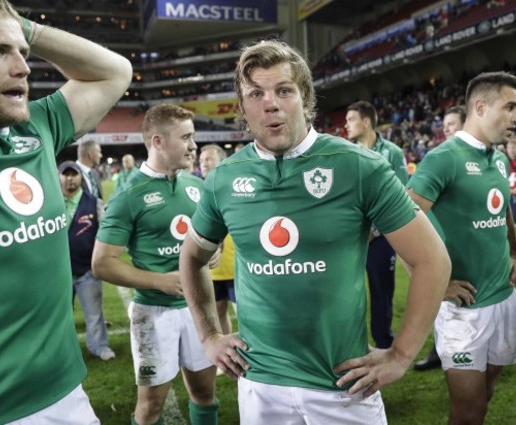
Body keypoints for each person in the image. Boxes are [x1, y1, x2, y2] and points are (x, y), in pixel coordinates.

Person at [179, 39, 451, 424]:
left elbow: (431, 259)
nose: (270, 103)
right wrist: (208, 335)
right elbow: (191, 257)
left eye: (283, 90)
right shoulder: (223, 178)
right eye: (255, 93)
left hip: (343, 385)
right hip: (260, 384)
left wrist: (401, 354)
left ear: (305, 99)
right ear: (242, 108)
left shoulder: (359, 167)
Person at [0, 1, 131, 423]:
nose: (23, 67)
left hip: (67, 393)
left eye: (23, 53)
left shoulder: (37, 126)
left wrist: (24, 29)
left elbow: (114, 71)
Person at [406, 71, 516, 425]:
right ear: (480, 106)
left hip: (504, 299)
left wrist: (515, 252)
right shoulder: (443, 158)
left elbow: (502, 208)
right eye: (510, 108)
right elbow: (401, 224)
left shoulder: (500, 160)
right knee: (467, 411)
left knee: (484, 400)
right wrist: (435, 285)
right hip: (464, 310)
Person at [92, 104, 220, 425]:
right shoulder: (129, 195)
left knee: (205, 393)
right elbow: (103, 263)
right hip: (153, 314)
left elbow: (207, 241)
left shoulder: (197, 187)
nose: (194, 145)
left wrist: (211, 252)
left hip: (198, 309)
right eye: (186, 137)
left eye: (194, 137)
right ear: (158, 142)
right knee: (150, 407)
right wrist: (160, 281)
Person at [345, 100, 408, 349]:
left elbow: (401, 196)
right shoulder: (346, 154)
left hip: (381, 238)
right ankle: (351, 344)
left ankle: (383, 345)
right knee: (347, 293)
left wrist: (375, 230)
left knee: (382, 293)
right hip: (351, 238)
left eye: (351, 120)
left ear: (366, 121)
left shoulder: (392, 152)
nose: (346, 124)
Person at [415, 104, 466, 371]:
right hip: (441, 241)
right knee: (443, 297)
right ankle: (440, 349)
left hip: (466, 247)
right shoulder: (439, 159)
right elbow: (408, 213)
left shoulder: (484, 160)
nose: (446, 129)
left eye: (452, 124)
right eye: (444, 125)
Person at [59, 161, 115, 361]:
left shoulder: (94, 202)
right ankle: (61, 350)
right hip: (58, 272)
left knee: (94, 314)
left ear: (81, 178)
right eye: (65, 174)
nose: (70, 178)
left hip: (86, 271)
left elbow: (105, 234)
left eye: (74, 174)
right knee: (59, 317)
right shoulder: (50, 202)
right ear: (59, 177)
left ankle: (99, 346)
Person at [198, 144, 237, 336]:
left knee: (245, 314)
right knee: (219, 311)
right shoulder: (195, 190)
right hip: (211, 269)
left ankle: (257, 359)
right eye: (202, 159)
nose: (204, 163)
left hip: (236, 266)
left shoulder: (235, 187)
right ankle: (229, 361)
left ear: (222, 161)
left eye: (209, 159)